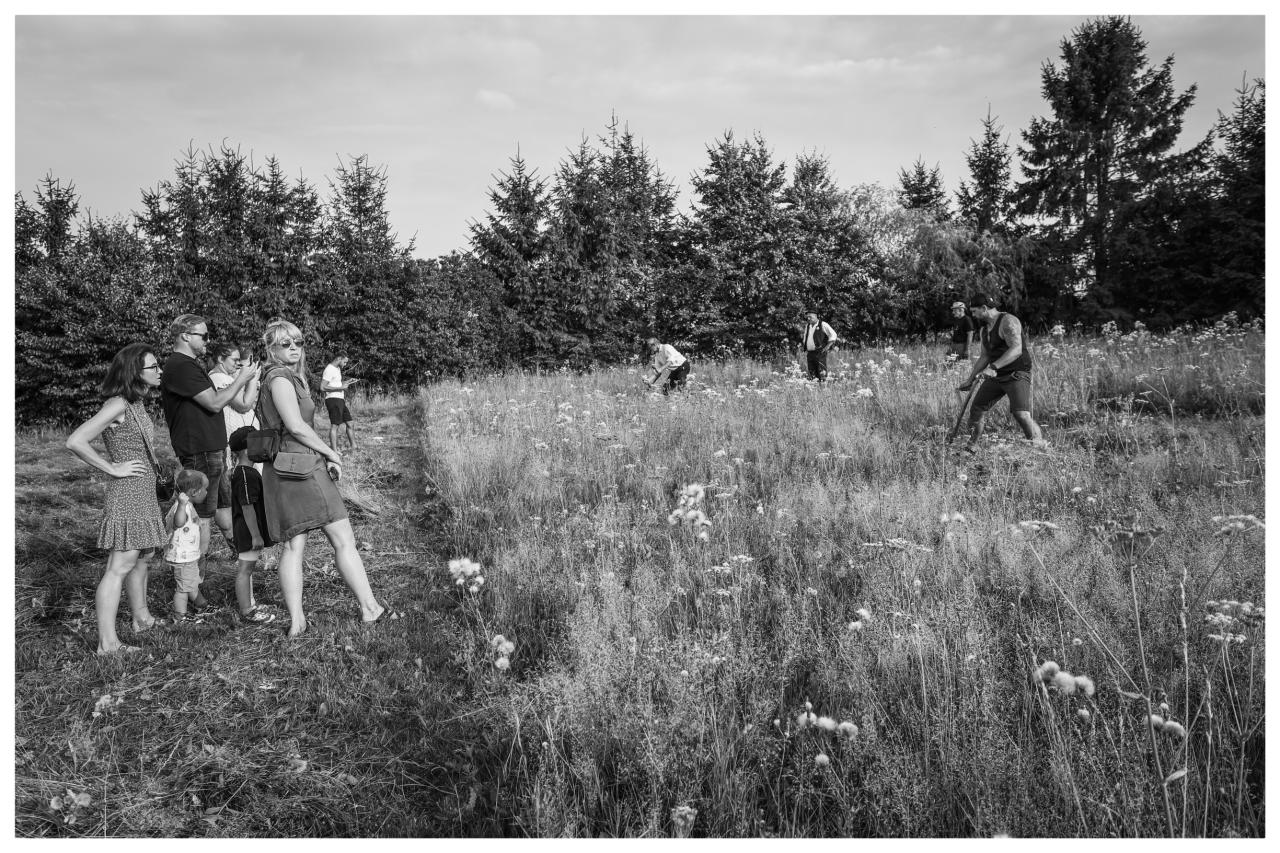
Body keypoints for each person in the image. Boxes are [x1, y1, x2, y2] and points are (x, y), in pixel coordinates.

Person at [259, 319, 398, 637]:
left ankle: (298, 622)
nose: (294, 348)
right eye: (285, 343)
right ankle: (370, 609)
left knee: (294, 545)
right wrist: (331, 453)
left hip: (285, 467)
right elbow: (296, 426)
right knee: (342, 538)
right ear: (271, 348)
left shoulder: (280, 377)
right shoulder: (280, 378)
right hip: (302, 467)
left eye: (298, 342)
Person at [65, 343, 168, 654]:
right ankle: (107, 644)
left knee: (143, 556)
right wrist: (112, 467)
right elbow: (76, 441)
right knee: (119, 566)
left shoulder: (136, 402)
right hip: (128, 493)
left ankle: (141, 619)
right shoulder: (118, 404)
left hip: (143, 491)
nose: (160, 370)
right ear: (135, 371)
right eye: (153, 367)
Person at [159, 315, 259, 575]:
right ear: (185, 336)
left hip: (212, 449)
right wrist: (243, 378)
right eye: (203, 335)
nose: (207, 340)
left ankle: (241, 557)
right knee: (201, 517)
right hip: (200, 450)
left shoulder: (189, 365)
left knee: (221, 507)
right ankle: (194, 582)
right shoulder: (180, 366)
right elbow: (214, 403)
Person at [958, 293, 1047, 452]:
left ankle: (1039, 449)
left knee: (1021, 414)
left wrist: (993, 368)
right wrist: (970, 379)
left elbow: (1016, 349)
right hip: (997, 375)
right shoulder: (984, 330)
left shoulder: (1008, 321)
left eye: (974, 311)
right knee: (977, 409)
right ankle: (971, 448)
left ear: (984, 308)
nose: (973, 315)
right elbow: (985, 356)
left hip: (1016, 373)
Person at [227, 426, 276, 625]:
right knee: (245, 570)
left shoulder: (244, 472)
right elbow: (247, 507)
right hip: (248, 530)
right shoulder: (245, 474)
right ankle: (247, 611)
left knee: (248, 569)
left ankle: (250, 603)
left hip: (248, 529)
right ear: (247, 449)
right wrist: (256, 535)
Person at [165, 469, 210, 621]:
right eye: (205, 489)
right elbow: (179, 522)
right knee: (183, 589)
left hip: (187, 556)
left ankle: (202, 605)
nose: (207, 492)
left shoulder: (187, 505)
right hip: (183, 557)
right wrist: (182, 506)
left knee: (190, 582)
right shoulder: (182, 506)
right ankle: (180, 617)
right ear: (195, 492)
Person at [208, 341, 261, 468]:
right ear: (221, 359)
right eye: (235, 360)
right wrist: (253, 379)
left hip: (240, 446)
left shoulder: (225, 377)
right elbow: (244, 405)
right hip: (234, 446)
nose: (238, 364)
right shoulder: (219, 377)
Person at [321, 354, 358, 453]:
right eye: (344, 362)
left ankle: (354, 447)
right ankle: (334, 451)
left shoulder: (337, 369)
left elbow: (335, 384)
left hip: (340, 399)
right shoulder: (329, 369)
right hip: (333, 400)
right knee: (335, 426)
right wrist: (341, 388)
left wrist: (347, 382)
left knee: (350, 423)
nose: (345, 364)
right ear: (339, 359)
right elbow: (322, 387)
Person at [800, 312, 839, 381]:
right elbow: (805, 338)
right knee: (811, 372)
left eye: (810, 317)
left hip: (820, 352)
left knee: (821, 371)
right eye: (807, 317)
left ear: (816, 316)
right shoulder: (808, 326)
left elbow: (833, 335)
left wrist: (827, 347)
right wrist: (805, 347)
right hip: (810, 353)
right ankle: (813, 385)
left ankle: (823, 385)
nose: (808, 319)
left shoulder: (823, 324)